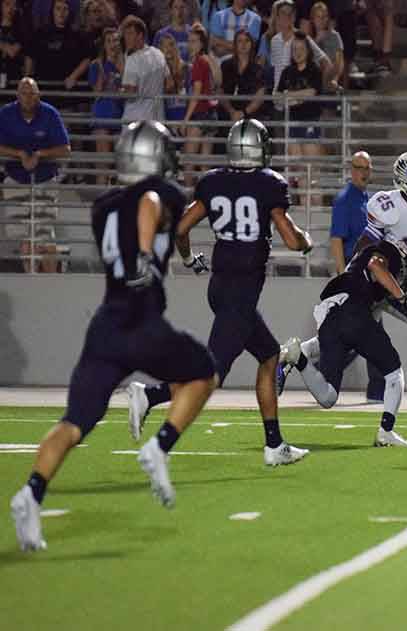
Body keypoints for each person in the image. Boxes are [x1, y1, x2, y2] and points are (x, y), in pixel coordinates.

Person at [9, 121, 218, 551]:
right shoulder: (160, 195)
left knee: (74, 422)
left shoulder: (102, 206)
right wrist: (144, 254)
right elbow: (151, 201)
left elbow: (140, 206)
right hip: (139, 318)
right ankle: (159, 448)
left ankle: (31, 493)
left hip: (104, 325)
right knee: (204, 373)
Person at [127, 118, 313, 466]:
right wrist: (305, 241)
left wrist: (186, 259)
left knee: (269, 355)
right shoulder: (269, 183)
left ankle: (275, 445)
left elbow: (181, 227)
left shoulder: (214, 182)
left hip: (220, 287)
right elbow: (290, 237)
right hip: (241, 292)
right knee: (211, 377)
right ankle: (149, 395)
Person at [280, 151, 407, 412]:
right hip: (379, 286)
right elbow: (365, 246)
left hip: (396, 282)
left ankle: (292, 355)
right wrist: (355, 283)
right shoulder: (388, 206)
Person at [278, 238, 407, 447]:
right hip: (351, 310)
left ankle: (298, 357)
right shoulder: (387, 251)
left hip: (328, 313)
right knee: (393, 370)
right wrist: (401, 297)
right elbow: (376, 266)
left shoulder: (363, 258)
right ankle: (386, 432)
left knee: (328, 397)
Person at [327, 150, 385, 400]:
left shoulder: (368, 200)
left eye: (367, 168)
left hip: (368, 278)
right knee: (369, 335)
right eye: (359, 167)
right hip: (355, 278)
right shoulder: (344, 200)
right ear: (351, 170)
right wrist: (343, 275)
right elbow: (337, 239)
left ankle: (322, 374)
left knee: (359, 335)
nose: (363, 172)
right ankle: (376, 390)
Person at [0, 77, 70, 273]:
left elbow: (65, 149)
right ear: (17, 95)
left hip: (45, 179)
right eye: (24, 93)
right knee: (23, 237)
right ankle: (31, 281)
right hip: (15, 179)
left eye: (32, 93)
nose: (28, 97)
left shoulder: (49, 113)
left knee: (45, 236)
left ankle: (51, 283)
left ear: (38, 95)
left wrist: (39, 155)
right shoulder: (6, 114)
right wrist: (20, 154)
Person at [182, 23, 220, 186]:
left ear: (202, 43)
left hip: (199, 114)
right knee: (205, 165)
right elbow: (218, 84)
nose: (191, 45)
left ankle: (186, 201)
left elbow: (196, 93)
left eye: (194, 41)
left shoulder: (199, 62)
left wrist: (186, 119)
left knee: (189, 162)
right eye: (189, 41)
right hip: (212, 115)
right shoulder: (210, 60)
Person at [277, 30, 322, 159]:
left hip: (310, 120)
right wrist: (298, 98)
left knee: (310, 165)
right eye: (295, 49)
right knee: (295, 165)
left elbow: (312, 92)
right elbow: (278, 95)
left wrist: (290, 95)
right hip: (291, 121)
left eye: (301, 48)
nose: (298, 52)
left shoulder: (315, 70)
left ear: (308, 50)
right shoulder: (287, 71)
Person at [88, 26, 124, 186]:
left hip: (121, 116)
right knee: (103, 163)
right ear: (104, 44)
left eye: (115, 40)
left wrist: (119, 64)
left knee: (121, 165)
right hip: (102, 115)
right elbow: (97, 91)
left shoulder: (127, 63)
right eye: (109, 41)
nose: (112, 44)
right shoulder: (96, 64)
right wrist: (107, 64)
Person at [120, 15, 170, 122]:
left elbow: (131, 94)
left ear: (140, 35)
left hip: (135, 122)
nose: (126, 37)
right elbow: (169, 84)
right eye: (125, 34)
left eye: (130, 33)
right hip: (158, 120)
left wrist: (118, 90)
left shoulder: (132, 59)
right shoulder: (159, 54)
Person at [220, 28, 265, 122]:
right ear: (235, 45)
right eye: (240, 41)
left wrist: (243, 113)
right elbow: (221, 92)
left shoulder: (258, 69)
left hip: (250, 116)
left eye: (247, 40)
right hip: (228, 115)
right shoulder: (225, 65)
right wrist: (232, 112)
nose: (243, 44)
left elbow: (259, 96)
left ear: (251, 44)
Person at [0, 0, 29, 88]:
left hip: (14, 77)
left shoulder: (21, 31)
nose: (11, 8)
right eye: (7, 4)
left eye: (14, 5)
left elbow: (12, 52)